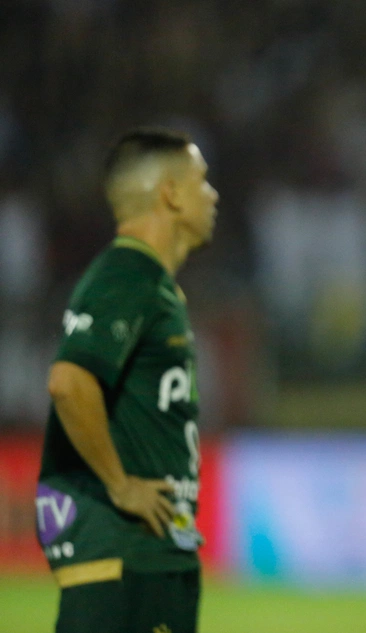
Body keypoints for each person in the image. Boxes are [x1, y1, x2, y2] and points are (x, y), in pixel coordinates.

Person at [36, 127, 218, 633]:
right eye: (202, 182)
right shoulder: (126, 274)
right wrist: (120, 485)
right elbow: (69, 382)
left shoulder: (155, 285)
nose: (213, 195)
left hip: (156, 547)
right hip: (120, 546)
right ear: (170, 194)